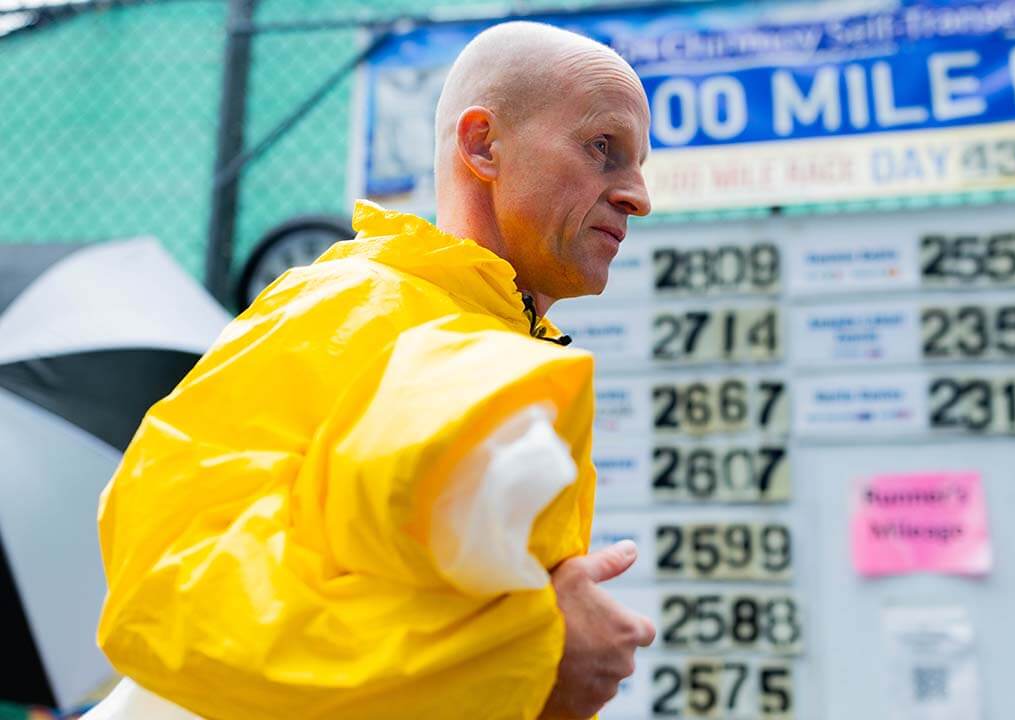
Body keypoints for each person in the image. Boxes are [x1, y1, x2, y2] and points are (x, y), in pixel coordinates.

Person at [87, 20, 653, 720]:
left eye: (638, 165)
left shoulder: (502, 344)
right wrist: (530, 651)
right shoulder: (348, 310)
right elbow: (166, 592)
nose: (637, 194)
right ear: (481, 145)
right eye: (604, 149)